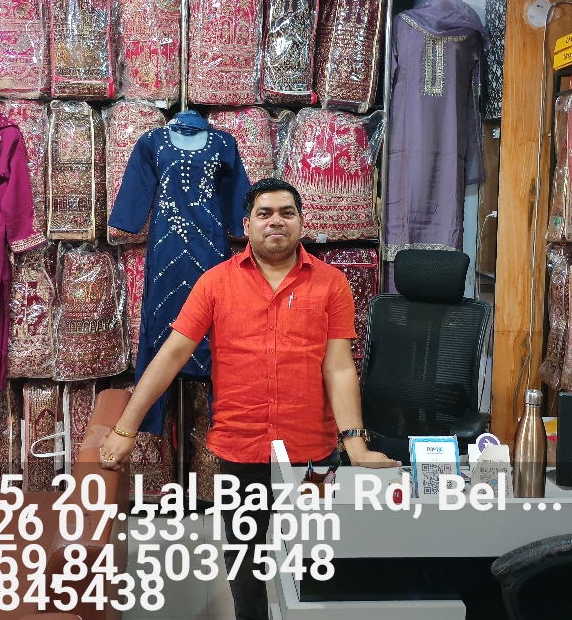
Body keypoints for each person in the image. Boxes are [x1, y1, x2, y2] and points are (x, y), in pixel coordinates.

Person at [99, 177, 398, 620]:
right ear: (246, 225)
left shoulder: (331, 284)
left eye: (287, 213)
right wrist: (126, 429)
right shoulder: (215, 283)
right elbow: (172, 355)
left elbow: (338, 368)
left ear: (301, 222)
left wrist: (356, 445)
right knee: (245, 568)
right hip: (241, 450)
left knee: (314, 564)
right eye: (265, 213)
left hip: (311, 456)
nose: (276, 221)